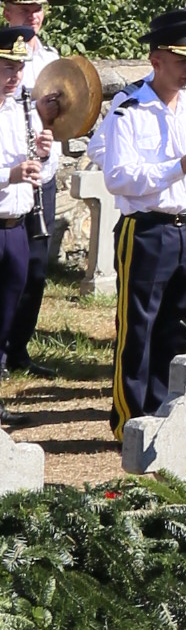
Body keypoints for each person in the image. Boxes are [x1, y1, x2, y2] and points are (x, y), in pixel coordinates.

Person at [91, 12, 186, 431]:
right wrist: (176, 167)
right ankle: (130, 416)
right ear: (156, 59)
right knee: (137, 326)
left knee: (178, 327)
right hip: (147, 229)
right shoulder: (129, 108)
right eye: (182, 60)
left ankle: (165, 411)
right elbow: (117, 176)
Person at [1, 0, 64, 366]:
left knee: (32, 269)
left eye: (37, 8)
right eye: (24, 8)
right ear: (7, 9)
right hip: (10, 176)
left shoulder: (52, 59)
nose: (32, 15)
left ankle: (16, 347)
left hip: (39, 176)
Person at [0, 41, 52, 387]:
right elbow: (14, 171)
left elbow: (39, 172)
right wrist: (8, 175)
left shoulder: (22, 109)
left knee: (6, 314)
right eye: (7, 68)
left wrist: (44, 156)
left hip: (16, 226)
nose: (15, 76)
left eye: (19, 68)